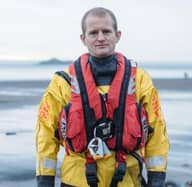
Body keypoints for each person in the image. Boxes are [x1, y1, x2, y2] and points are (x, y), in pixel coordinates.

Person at [35, 7, 169, 187]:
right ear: (83, 38)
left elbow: (157, 130)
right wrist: (45, 179)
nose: (100, 38)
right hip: (77, 181)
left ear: (117, 35)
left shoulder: (139, 79)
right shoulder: (63, 83)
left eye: (106, 31)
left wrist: (157, 178)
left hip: (127, 180)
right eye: (93, 32)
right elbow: (45, 132)